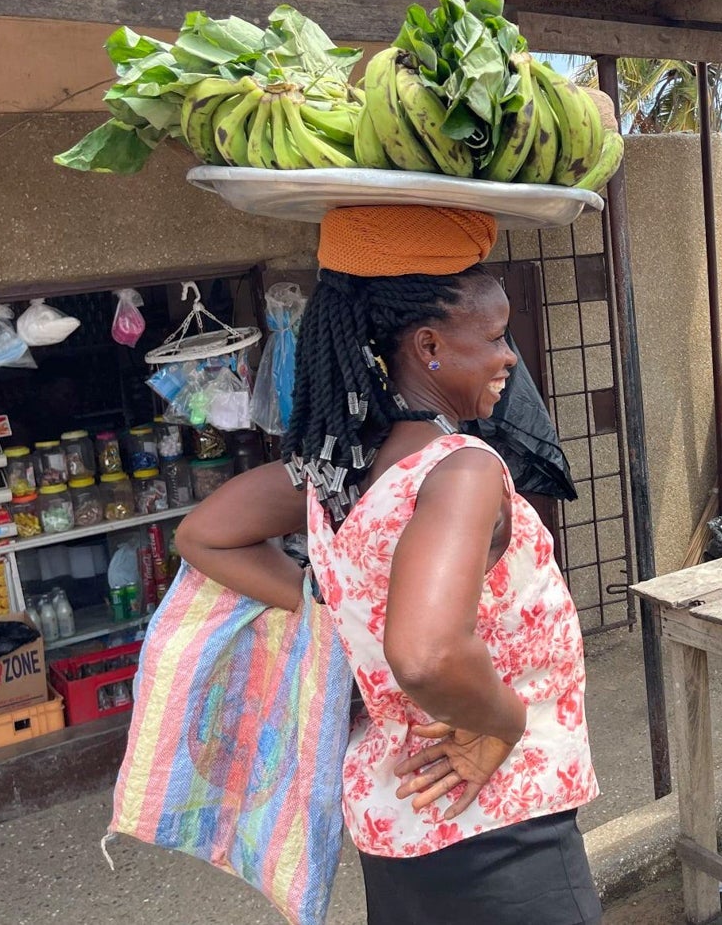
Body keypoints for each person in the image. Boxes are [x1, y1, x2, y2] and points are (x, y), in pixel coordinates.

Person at [177, 206, 600, 925]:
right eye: (496, 338)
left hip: (397, 818)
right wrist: (499, 720)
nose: (509, 358)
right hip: (499, 826)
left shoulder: (338, 472)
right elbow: (427, 652)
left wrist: (333, 599)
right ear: (429, 345)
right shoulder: (458, 471)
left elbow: (202, 534)